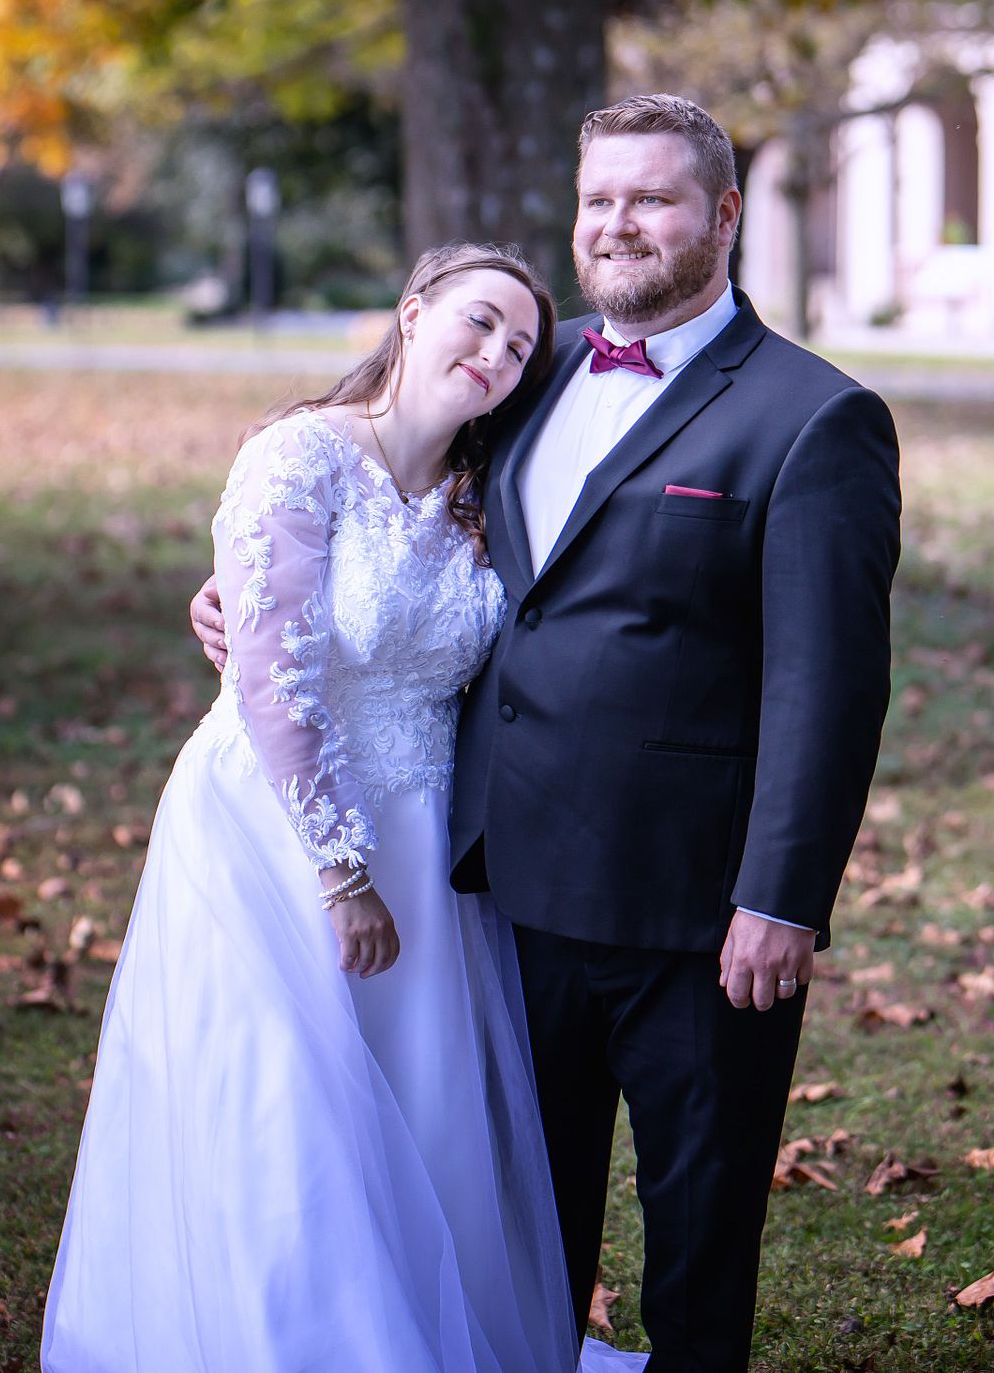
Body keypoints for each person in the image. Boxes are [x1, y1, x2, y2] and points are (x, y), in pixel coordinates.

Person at [195, 96, 902, 1371]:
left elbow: (830, 683)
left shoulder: (815, 416)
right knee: (522, 1220)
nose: (619, 223)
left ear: (724, 216)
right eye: (599, 200)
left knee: (698, 1229)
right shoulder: (527, 366)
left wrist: (783, 898)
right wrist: (245, 603)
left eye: (654, 198)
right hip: (499, 888)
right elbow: (392, 516)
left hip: (700, 908)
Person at [42, 242, 644, 1372]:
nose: (497, 354)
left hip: (427, 837)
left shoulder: (487, 493)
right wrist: (340, 872)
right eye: (477, 321)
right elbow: (274, 677)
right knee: (286, 1107)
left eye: (520, 346)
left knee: (424, 1104)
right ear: (412, 315)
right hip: (280, 833)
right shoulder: (297, 456)